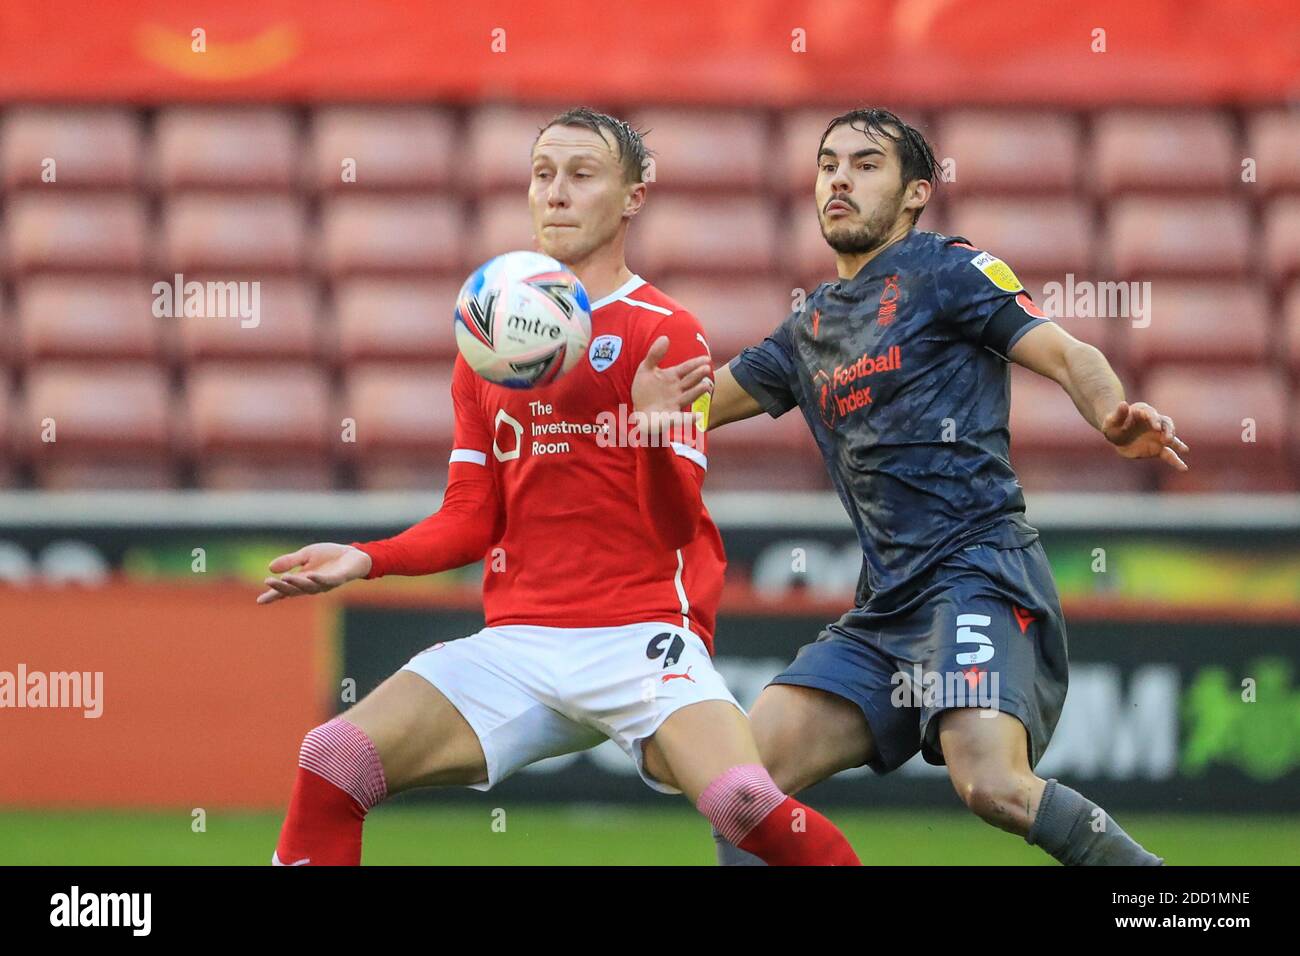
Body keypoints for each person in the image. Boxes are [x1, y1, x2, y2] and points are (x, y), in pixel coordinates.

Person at [259, 107, 859, 866]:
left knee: (746, 805)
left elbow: (677, 525)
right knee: (333, 758)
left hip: (642, 638)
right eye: (543, 175)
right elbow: (471, 518)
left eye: (582, 176)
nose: (557, 194)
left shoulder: (663, 330)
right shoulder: (486, 342)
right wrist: (366, 558)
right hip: (520, 642)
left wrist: (647, 434)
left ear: (634, 195)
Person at [702, 108, 1185, 866]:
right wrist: (609, 408)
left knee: (992, 783)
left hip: (977, 574)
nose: (838, 177)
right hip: (884, 608)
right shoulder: (807, 331)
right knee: (741, 790)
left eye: (865, 164)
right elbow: (687, 414)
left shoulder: (948, 271)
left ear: (916, 191)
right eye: (828, 162)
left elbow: (1068, 354)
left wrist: (1111, 416)